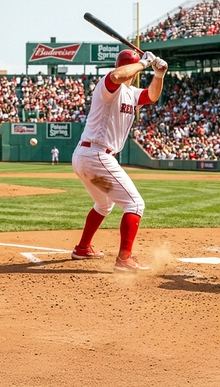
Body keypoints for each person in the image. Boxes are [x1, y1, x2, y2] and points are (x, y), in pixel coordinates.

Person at [70, 49, 167, 272]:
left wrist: (159, 75)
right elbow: (117, 76)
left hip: (87, 156)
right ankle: (124, 259)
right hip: (95, 155)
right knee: (135, 204)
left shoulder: (131, 93)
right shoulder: (108, 85)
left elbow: (151, 96)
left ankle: (83, 248)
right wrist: (144, 63)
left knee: (104, 205)